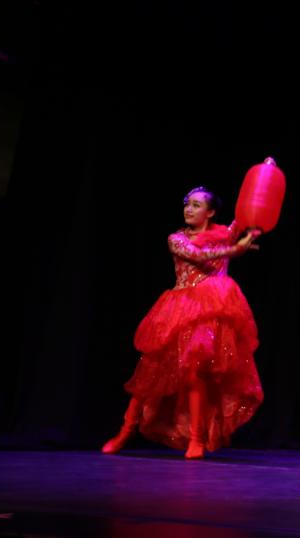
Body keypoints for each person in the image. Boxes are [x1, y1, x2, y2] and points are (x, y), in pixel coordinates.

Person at [101, 187, 263, 459]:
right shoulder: (176, 239)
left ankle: (196, 440)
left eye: (196, 205)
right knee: (151, 372)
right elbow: (198, 255)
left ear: (210, 212)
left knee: (195, 372)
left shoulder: (222, 234)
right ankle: (125, 432)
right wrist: (236, 249)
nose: (188, 209)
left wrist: (259, 190)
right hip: (177, 310)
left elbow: (244, 218)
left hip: (209, 309)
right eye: (187, 204)